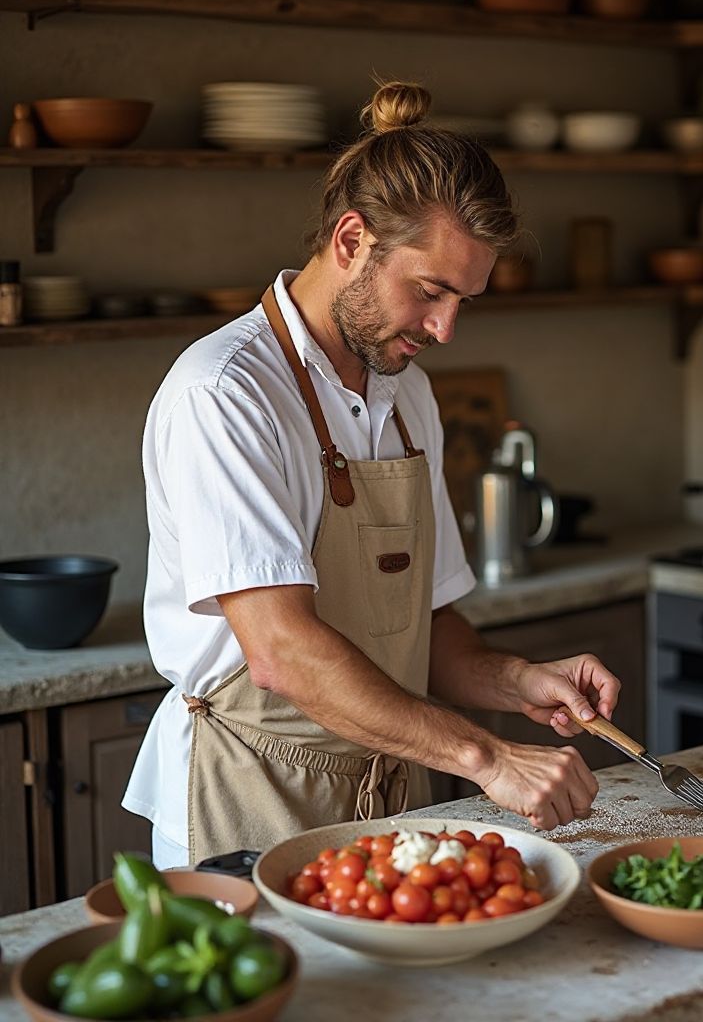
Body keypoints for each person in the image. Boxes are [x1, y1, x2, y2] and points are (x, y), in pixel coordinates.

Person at [123, 80, 623, 868]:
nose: (446, 328)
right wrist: (488, 758)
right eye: (431, 291)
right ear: (352, 240)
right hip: (250, 792)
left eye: (465, 300)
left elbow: (425, 627)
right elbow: (282, 652)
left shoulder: (405, 392)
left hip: (390, 792)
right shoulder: (225, 392)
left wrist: (519, 679)